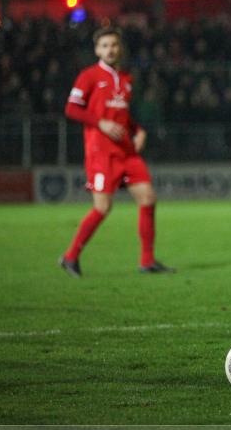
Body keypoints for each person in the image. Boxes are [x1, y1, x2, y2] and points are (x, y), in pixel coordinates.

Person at [59, 27, 174, 277]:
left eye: (113, 45)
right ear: (97, 50)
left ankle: (147, 261)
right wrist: (100, 123)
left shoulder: (126, 79)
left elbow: (122, 115)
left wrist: (138, 129)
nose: (110, 49)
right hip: (101, 152)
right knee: (102, 207)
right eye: (104, 45)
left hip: (126, 151)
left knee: (148, 198)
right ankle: (70, 257)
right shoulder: (88, 76)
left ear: (120, 48)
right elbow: (71, 109)